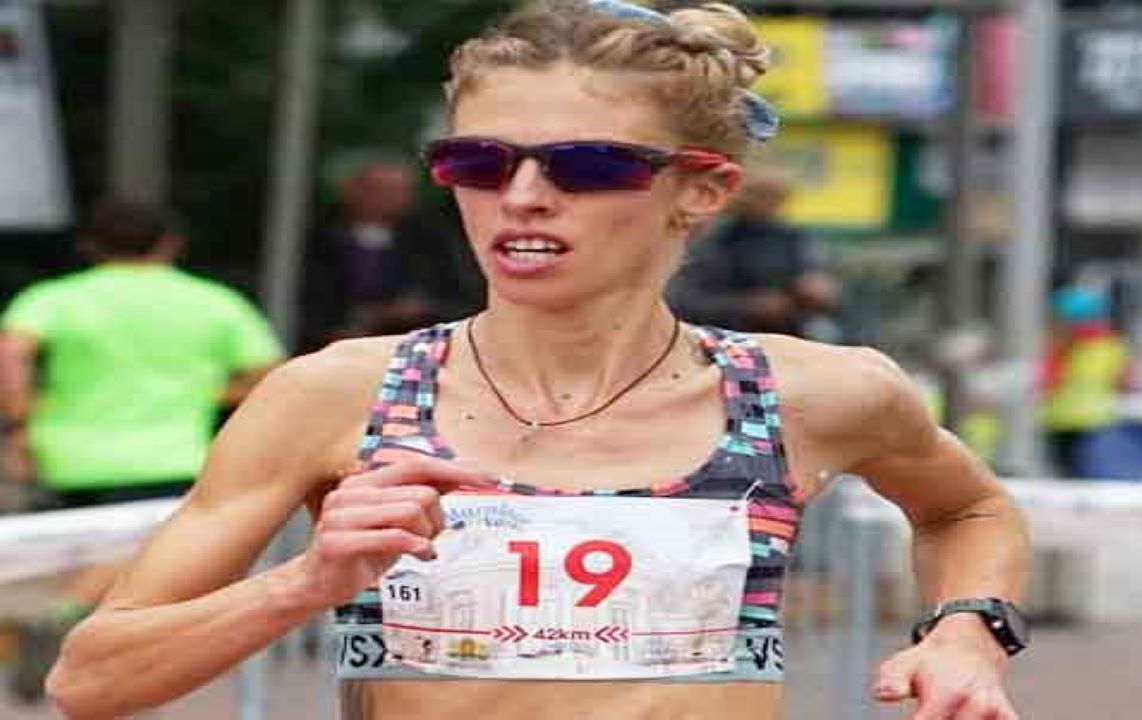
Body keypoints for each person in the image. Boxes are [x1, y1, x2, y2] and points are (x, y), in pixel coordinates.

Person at [47, 3, 1030, 719]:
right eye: (478, 162)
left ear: (702, 190)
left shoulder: (811, 393)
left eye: (586, 165)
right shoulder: (339, 393)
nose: (521, 195)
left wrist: (969, 630)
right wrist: (304, 583)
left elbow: (969, 510)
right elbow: (90, 680)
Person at [0, 199, 284, 700]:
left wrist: (19, 425)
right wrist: (211, 393)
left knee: (82, 556)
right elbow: (270, 372)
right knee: (137, 566)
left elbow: (13, 352)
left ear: (90, 244)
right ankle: (68, 621)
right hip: (168, 454)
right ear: (171, 243)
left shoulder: (54, 297)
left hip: (67, 453)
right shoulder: (214, 301)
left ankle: (84, 652)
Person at [299, 162, 480, 352]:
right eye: (376, 190)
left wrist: (419, 308)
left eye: (398, 191)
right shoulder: (320, 239)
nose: (388, 198)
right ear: (350, 192)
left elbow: (461, 299)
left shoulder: (430, 241)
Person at [669, 164, 840, 339]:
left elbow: (818, 279)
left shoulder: (796, 239)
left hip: (790, 331)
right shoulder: (714, 240)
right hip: (728, 334)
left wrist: (816, 287)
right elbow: (688, 302)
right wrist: (749, 307)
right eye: (761, 194)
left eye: (777, 196)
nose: (768, 202)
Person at [1041, 285, 1130, 477]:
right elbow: (1124, 384)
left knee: (1066, 477)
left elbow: (1048, 382)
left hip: (1060, 420)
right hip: (1098, 421)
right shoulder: (1112, 345)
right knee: (1089, 476)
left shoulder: (1060, 347)